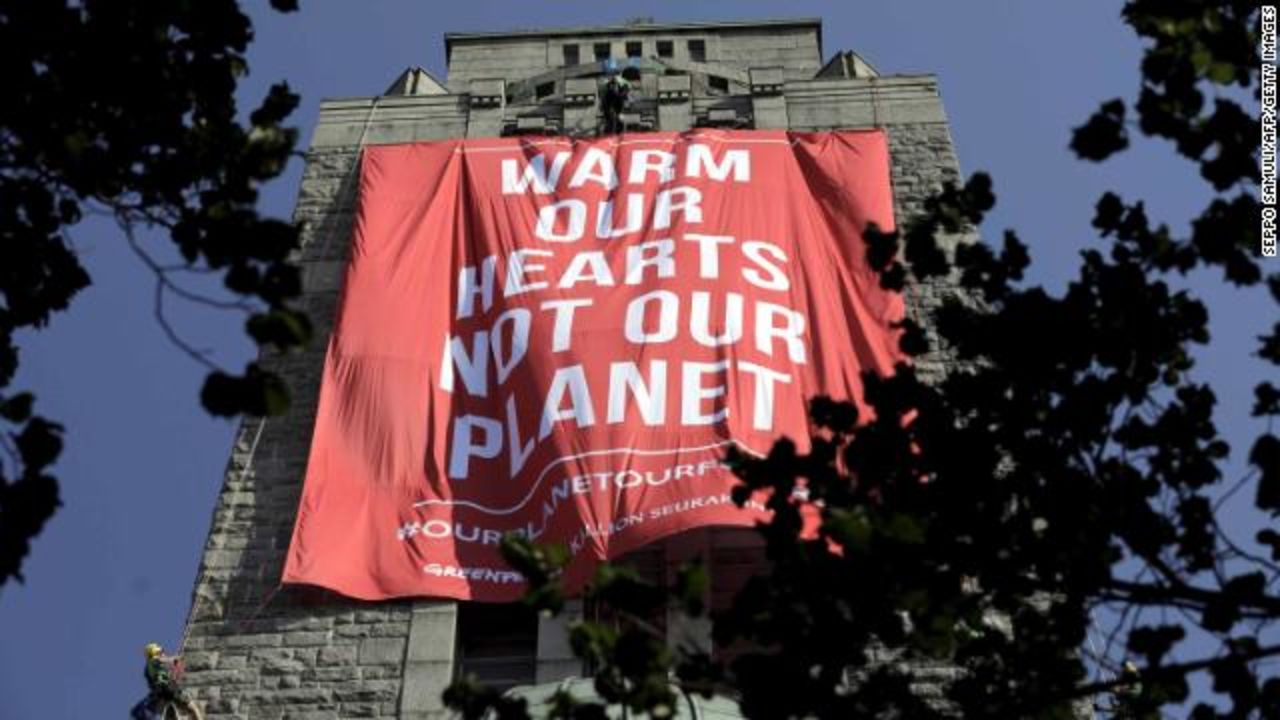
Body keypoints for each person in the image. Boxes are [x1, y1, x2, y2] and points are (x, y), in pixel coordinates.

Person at [131, 642, 203, 720]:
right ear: (155, 652)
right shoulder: (155, 660)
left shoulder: (148, 668)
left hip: (160, 694)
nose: (163, 653)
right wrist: (175, 659)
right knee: (192, 708)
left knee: (171, 713)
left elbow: (152, 682)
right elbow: (164, 660)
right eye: (161, 652)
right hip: (169, 689)